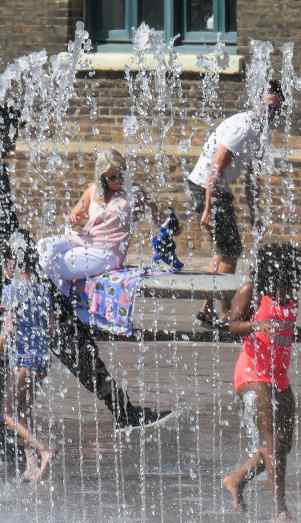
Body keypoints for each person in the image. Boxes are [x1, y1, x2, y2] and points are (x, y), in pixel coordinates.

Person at [1, 101, 169, 430]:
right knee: (49, 356)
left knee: (50, 357)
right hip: (26, 290)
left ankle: (21, 432)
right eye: (8, 134)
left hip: (31, 285)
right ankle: (18, 434)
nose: (11, 142)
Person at [221, 243, 301, 522]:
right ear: (280, 273)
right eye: (292, 278)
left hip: (279, 376)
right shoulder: (252, 291)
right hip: (253, 374)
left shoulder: (289, 296)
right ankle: (280, 511)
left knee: (284, 446)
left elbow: (286, 331)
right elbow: (231, 324)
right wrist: (255, 326)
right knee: (273, 445)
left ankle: (236, 479)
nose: (295, 285)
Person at [188, 80, 284, 326]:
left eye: (275, 109)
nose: (270, 113)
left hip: (217, 189)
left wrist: (255, 213)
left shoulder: (260, 131)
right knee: (231, 252)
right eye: (266, 107)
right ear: (256, 103)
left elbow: (251, 177)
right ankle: (225, 314)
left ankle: (207, 309)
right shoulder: (243, 128)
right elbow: (216, 167)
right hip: (207, 187)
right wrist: (208, 209)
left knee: (223, 250)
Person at [37, 149, 167, 295]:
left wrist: (170, 226)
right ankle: (63, 299)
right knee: (42, 247)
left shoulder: (134, 193)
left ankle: (61, 301)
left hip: (106, 252)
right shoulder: (93, 190)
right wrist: (74, 219)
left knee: (52, 264)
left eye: (121, 174)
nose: (119, 179)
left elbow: (159, 216)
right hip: (84, 240)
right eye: (113, 177)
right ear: (102, 177)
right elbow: (74, 214)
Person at [0, 230, 56, 481]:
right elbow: (52, 328)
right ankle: (31, 466)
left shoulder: (12, 290)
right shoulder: (42, 289)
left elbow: (6, 333)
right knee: (24, 413)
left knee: (8, 414)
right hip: (41, 362)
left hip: (22, 361)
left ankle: (44, 450)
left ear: (11, 262)